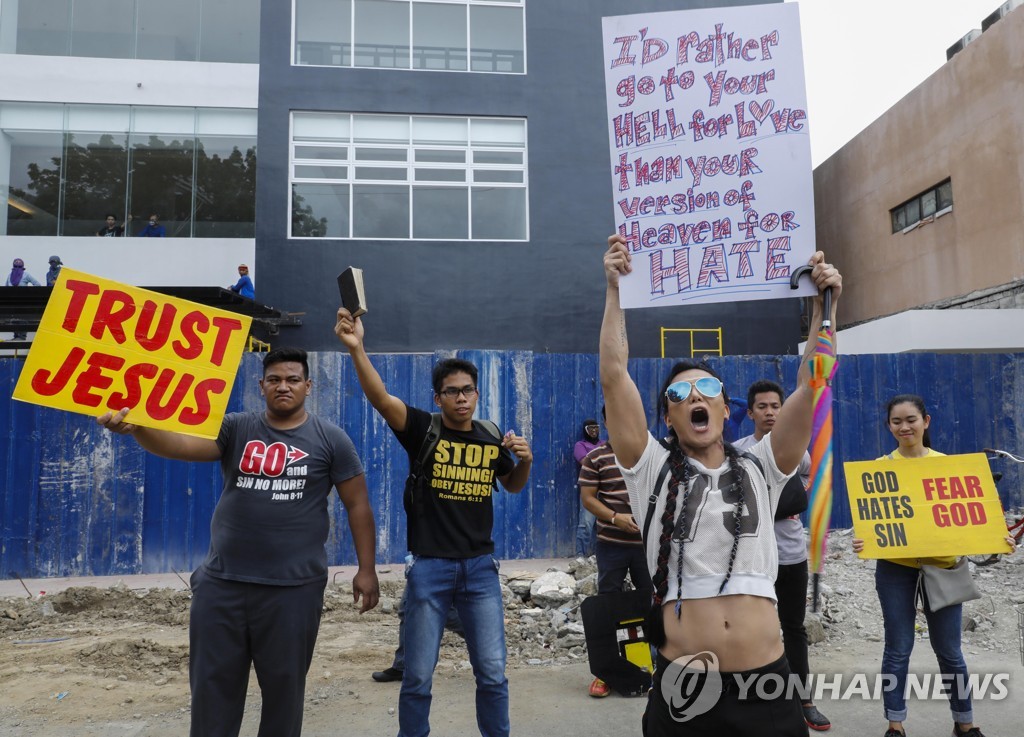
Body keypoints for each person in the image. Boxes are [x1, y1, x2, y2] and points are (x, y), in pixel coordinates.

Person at [599, 232, 841, 737]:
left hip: (767, 687)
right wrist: (615, 290)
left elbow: (811, 382)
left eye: (706, 388)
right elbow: (614, 375)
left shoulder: (761, 465)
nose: (695, 396)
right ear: (668, 414)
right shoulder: (650, 469)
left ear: (726, 409)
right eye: (679, 392)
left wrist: (825, 307)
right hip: (686, 691)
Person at [97, 347, 380, 737]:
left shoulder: (332, 440)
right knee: (213, 694)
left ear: (308, 386)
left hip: (292, 591)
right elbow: (179, 446)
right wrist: (139, 429)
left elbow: (358, 505)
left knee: (284, 695)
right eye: (275, 380)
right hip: (222, 586)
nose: (284, 386)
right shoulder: (235, 428)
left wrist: (367, 570)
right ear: (261, 386)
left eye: (293, 379)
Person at [335, 306, 533, 737]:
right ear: (438, 397)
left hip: (481, 570)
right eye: (452, 391)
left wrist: (526, 462)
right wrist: (357, 349)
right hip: (429, 569)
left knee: (494, 674)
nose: (461, 398)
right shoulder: (423, 428)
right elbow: (380, 398)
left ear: (476, 394)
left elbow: (512, 484)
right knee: (418, 678)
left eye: (468, 390)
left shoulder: (489, 433)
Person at [852, 394, 1015, 737]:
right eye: (896, 421)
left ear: (925, 422)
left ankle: (965, 723)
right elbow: (874, 523)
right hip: (896, 569)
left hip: (944, 568)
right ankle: (895, 724)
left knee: (950, 651)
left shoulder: (951, 467)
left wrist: (1002, 539)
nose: (904, 427)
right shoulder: (880, 469)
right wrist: (863, 541)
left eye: (910, 419)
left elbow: (976, 520)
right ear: (889, 426)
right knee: (898, 648)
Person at [733, 380, 830, 732]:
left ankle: (803, 699)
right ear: (751, 412)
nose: (770, 412)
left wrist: (792, 498)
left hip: (790, 554)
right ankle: (752, 699)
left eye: (776, 406)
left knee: (794, 628)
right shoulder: (738, 452)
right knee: (751, 630)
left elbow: (807, 479)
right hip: (753, 558)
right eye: (763, 407)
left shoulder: (796, 450)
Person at [578, 409, 652, 698]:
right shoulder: (595, 457)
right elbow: (588, 499)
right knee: (607, 604)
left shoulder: (649, 456)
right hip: (611, 544)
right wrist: (615, 518)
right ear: (607, 422)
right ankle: (605, 673)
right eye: (616, 418)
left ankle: (653, 665)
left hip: (648, 545)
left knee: (652, 601)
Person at [371, 578, 464, 683]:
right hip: (423, 564)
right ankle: (403, 666)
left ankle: (482, 641)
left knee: (439, 609)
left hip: (434, 565)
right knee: (409, 607)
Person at [574, 418, 601, 559]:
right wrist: (603, 461)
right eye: (590, 429)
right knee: (586, 523)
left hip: (605, 488)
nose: (594, 431)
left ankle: (601, 556)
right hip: (589, 488)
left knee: (604, 524)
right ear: (585, 430)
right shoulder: (580, 445)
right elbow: (585, 462)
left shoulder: (604, 444)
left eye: (596, 428)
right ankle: (580, 556)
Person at [5, 258, 41, 339]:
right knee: (13, 319)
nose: (17, 267)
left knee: (22, 318)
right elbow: (6, 288)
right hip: (12, 301)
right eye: (16, 264)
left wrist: (29, 294)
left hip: (23, 301)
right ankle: (16, 335)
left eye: (19, 265)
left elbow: (37, 284)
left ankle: (22, 336)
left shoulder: (26, 274)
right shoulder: (9, 276)